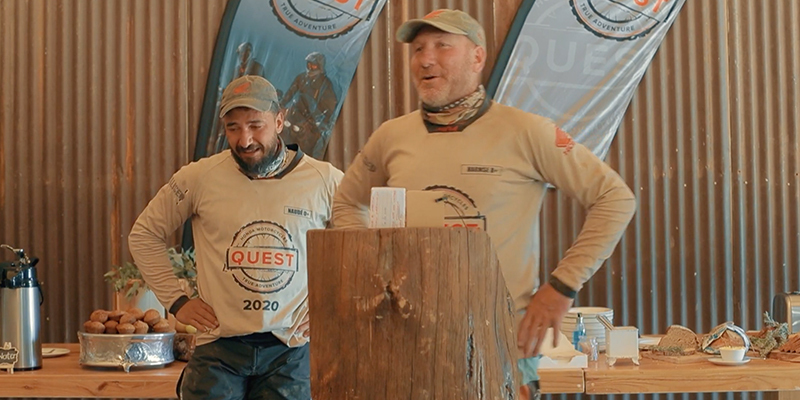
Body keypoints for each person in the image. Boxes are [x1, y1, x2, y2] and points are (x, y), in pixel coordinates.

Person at [330, 9, 636, 399]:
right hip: (407, 346)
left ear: (477, 58)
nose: (426, 59)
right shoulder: (391, 137)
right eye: (419, 48)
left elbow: (614, 198)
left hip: (501, 348)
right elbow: (347, 204)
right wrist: (372, 268)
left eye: (443, 46)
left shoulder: (526, 131)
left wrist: (562, 286)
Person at [129, 75, 343, 399]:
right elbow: (144, 234)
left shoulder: (325, 180)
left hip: (290, 351)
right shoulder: (198, 177)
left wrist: (331, 304)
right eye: (233, 128)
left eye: (256, 125)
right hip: (218, 350)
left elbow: (363, 247)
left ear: (280, 120)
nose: (245, 140)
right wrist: (176, 301)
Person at [281, 52, 338, 159]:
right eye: (309, 64)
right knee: (283, 135)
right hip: (295, 115)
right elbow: (290, 93)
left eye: (314, 65)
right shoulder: (302, 78)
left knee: (305, 147)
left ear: (320, 66)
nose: (311, 67)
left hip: (311, 122)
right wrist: (281, 105)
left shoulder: (326, 85)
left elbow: (330, 107)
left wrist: (315, 122)